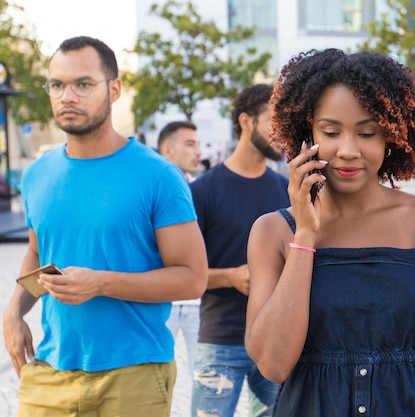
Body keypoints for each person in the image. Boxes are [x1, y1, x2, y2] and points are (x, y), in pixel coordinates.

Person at [245, 48, 415, 417]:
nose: (348, 150)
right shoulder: (273, 232)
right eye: (330, 132)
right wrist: (306, 238)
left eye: (367, 132)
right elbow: (273, 365)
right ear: (306, 131)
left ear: (391, 136)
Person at [1, 36, 207, 417]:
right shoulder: (37, 175)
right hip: (50, 371)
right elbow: (38, 251)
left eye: (83, 84)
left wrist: (99, 282)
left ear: (114, 90)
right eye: (57, 85)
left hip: (135, 373)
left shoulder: (159, 176)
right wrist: (13, 311)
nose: (67, 96)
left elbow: (192, 278)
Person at [190, 84, 288, 417]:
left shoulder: (289, 190)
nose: (281, 132)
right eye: (273, 121)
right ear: (245, 121)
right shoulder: (202, 191)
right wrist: (230, 277)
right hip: (220, 339)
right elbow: (179, 273)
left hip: (276, 341)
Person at [157, 120, 203, 379]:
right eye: (190, 144)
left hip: (199, 301)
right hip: (163, 300)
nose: (198, 152)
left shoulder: (203, 189)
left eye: (198, 144)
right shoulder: (150, 189)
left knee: (202, 377)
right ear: (167, 150)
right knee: (157, 376)